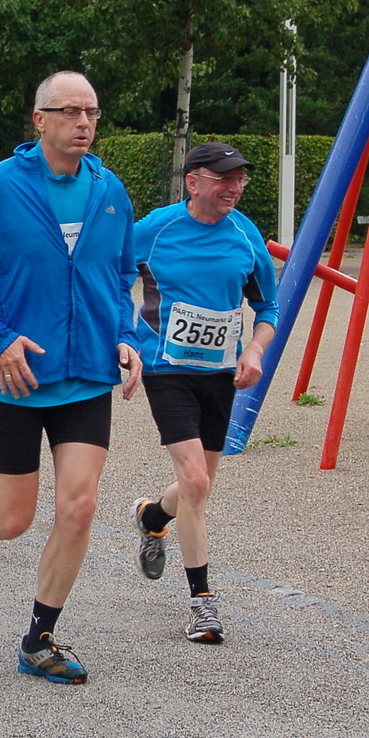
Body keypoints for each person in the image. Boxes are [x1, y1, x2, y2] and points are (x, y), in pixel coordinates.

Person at [0, 71, 142, 686]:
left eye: (92, 112)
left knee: (79, 506)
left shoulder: (110, 190)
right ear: (39, 119)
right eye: (69, 112)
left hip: (85, 378)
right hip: (10, 379)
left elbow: (123, 276)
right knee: (15, 516)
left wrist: (128, 338)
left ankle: (39, 638)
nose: (83, 123)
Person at [128, 142, 278, 643]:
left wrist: (254, 350)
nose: (234, 187)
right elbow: (105, 277)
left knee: (199, 486)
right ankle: (202, 603)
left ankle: (152, 516)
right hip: (165, 370)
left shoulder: (245, 234)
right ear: (193, 182)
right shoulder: (155, 229)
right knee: (194, 480)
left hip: (220, 377)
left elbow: (268, 310)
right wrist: (121, 339)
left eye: (240, 180)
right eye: (223, 178)